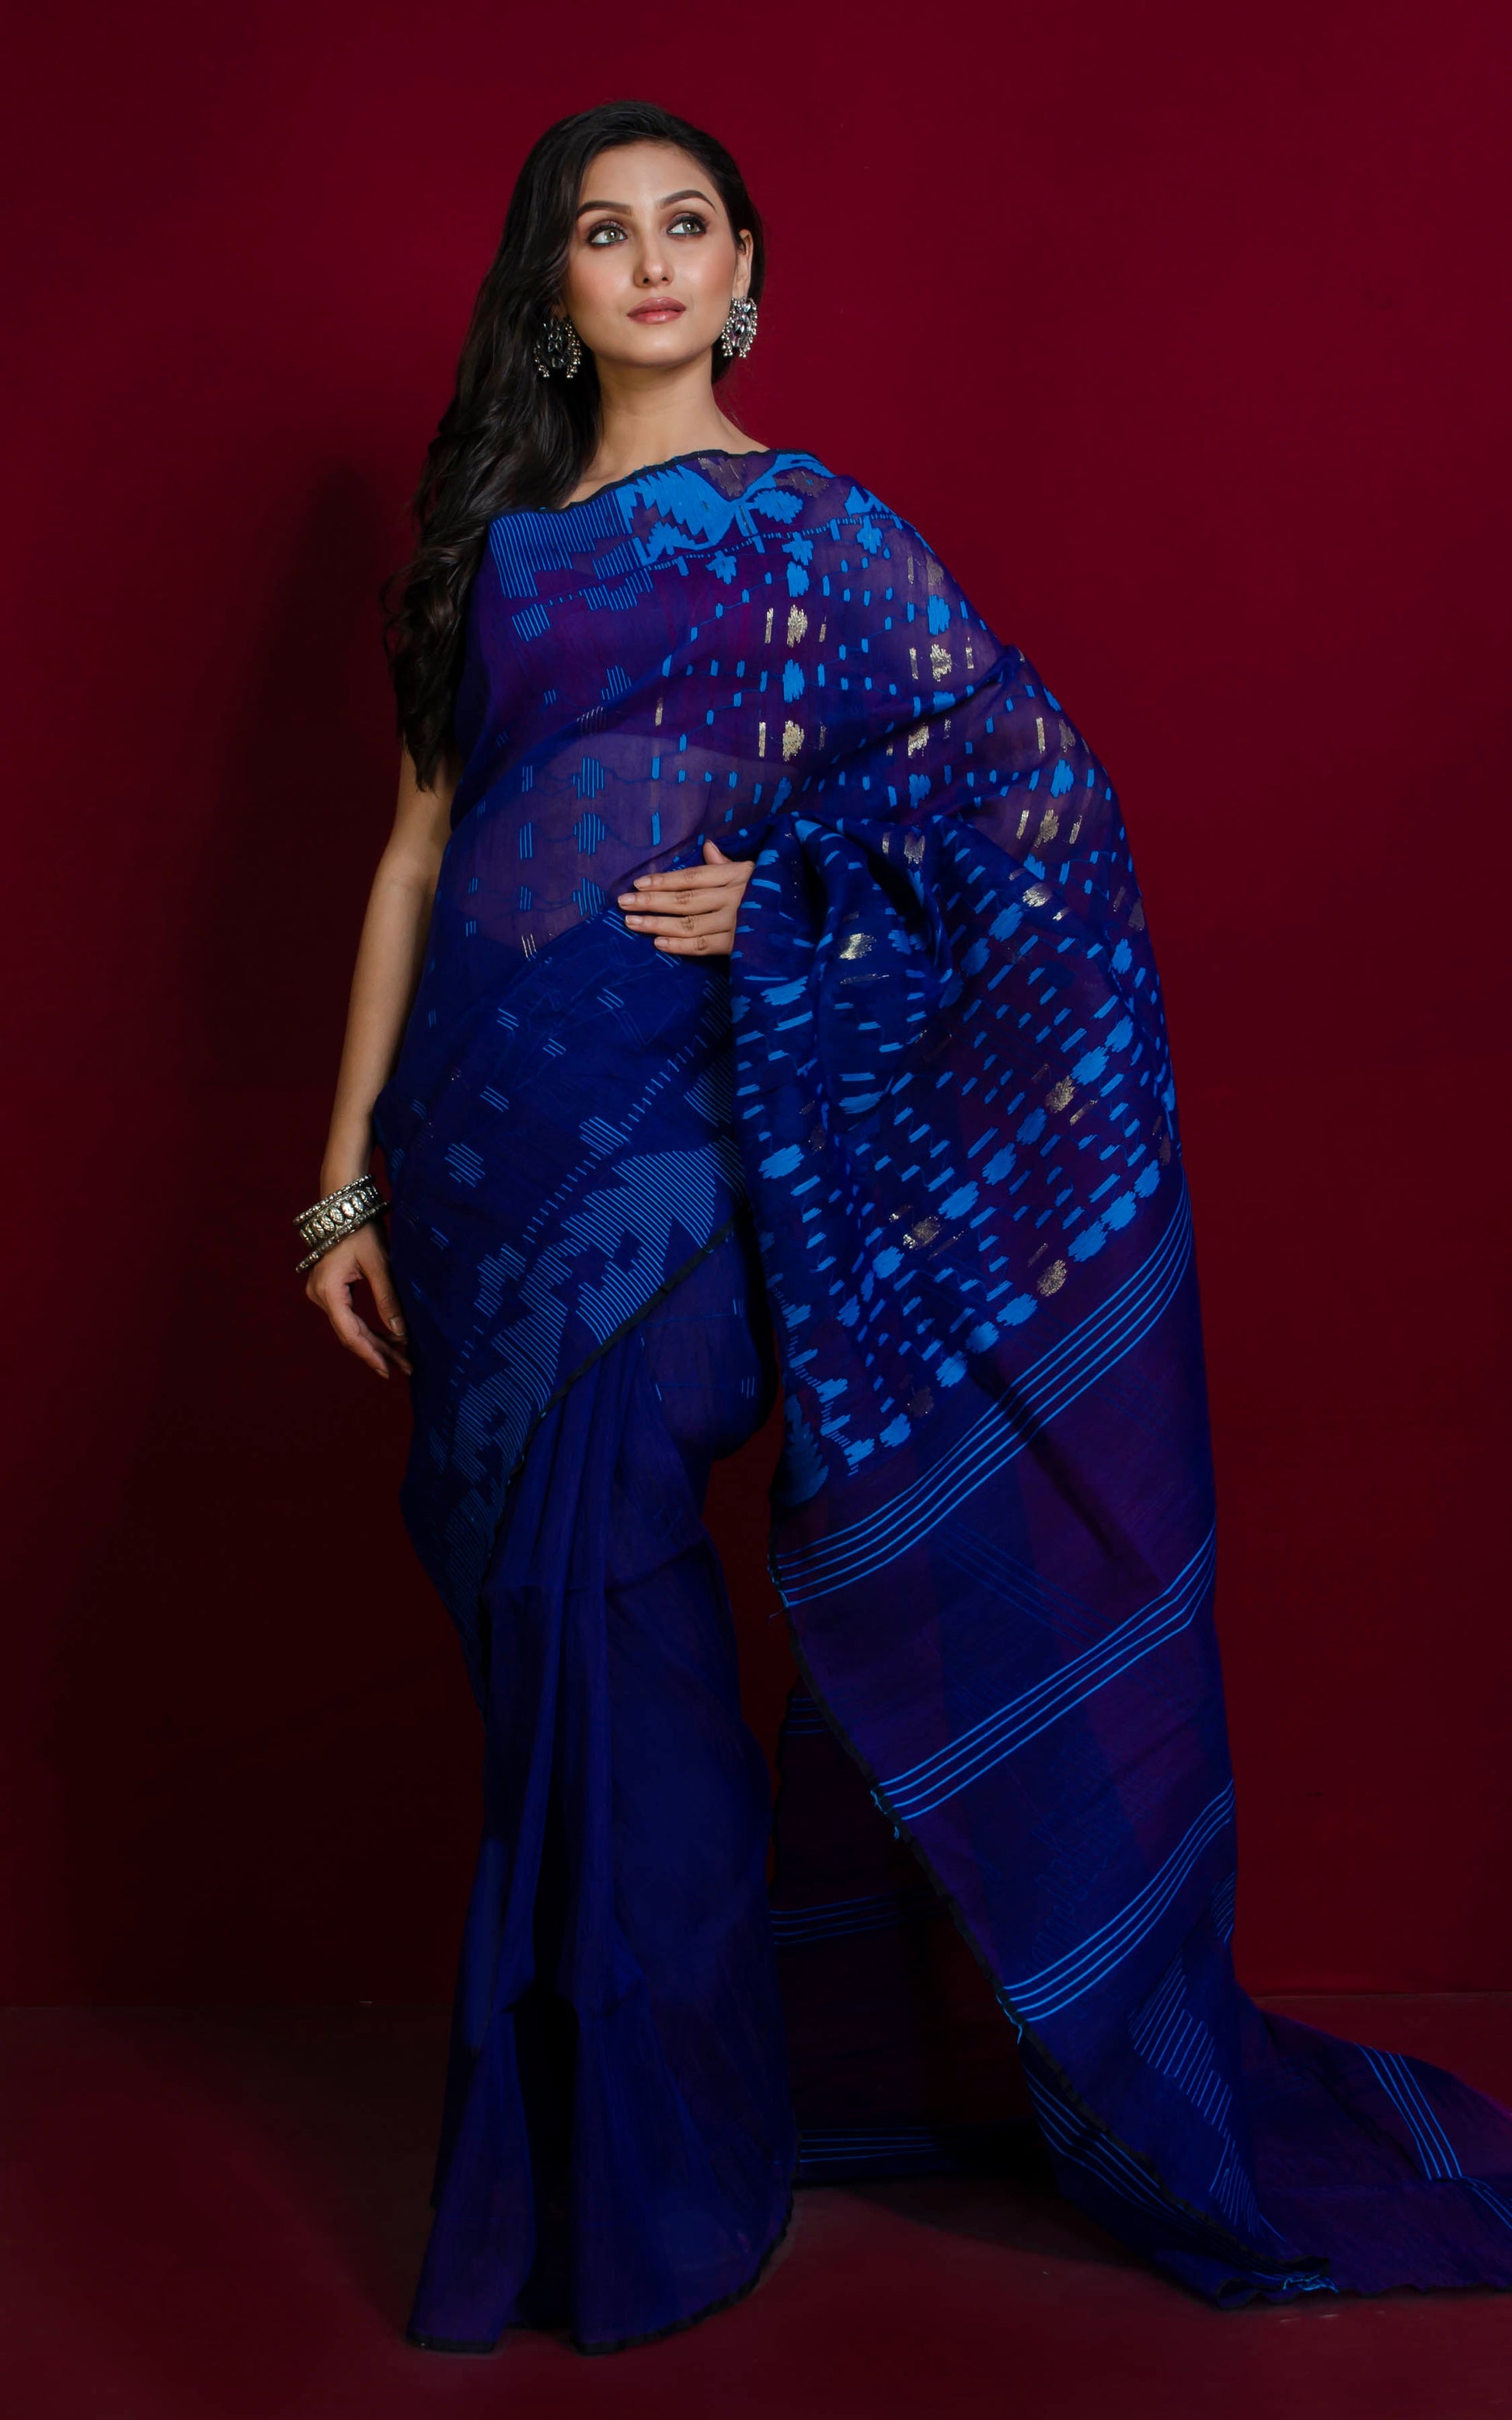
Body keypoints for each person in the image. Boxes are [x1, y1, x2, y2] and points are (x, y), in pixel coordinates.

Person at [301, 99, 1512, 2356]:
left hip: (675, 1160)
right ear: (551, 288)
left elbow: (1042, 823)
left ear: (745, 272)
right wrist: (347, 1175)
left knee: (623, 1630)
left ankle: (662, 2195)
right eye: (601, 231)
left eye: (687, 224)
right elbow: (412, 854)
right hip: (474, 1157)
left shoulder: (821, 540)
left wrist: (790, 900)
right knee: (546, 1660)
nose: (648, 261)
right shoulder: (491, 548)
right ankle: (591, 2162)